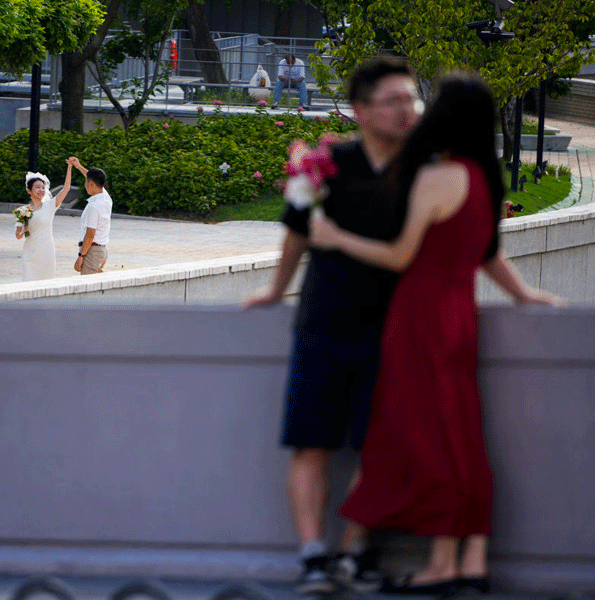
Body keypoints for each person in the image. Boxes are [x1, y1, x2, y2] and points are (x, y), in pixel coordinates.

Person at [308, 71, 558, 596]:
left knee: (424, 440)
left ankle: (442, 562)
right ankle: (472, 558)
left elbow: (401, 256)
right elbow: (487, 254)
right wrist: (523, 295)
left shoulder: (436, 176)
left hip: (419, 317)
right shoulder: (484, 178)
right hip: (459, 316)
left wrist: (334, 235)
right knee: (462, 434)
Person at [244, 57, 423, 594]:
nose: (406, 110)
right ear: (361, 111)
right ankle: (313, 557)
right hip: (322, 321)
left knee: (378, 447)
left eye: (411, 99)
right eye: (393, 100)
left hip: (392, 328)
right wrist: (275, 291)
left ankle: (353, 552)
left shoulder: (421, 170)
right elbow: (297, 234)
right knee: (311, 443)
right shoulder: (329, 164)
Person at [16, 157, 77, 281]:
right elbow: (18, 236)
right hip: (30, 255)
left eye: (43, 187)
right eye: (37, 187)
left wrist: (69, 168)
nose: (41, 190)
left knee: (46, 285)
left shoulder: (50, 206)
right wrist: (23, 227)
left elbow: (66, 189)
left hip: (46, 253)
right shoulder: (23, 210)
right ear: (29, 190)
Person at [72, 158, 112, 275]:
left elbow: (90, 234)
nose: (85, 185)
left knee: (87, 286)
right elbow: (92, 177)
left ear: (91, 184)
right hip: (102, 251)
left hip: (92, 252)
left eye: (86, 182)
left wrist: (81, 256)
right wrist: (79, 166)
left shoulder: (94, 206)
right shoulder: (106, 198)